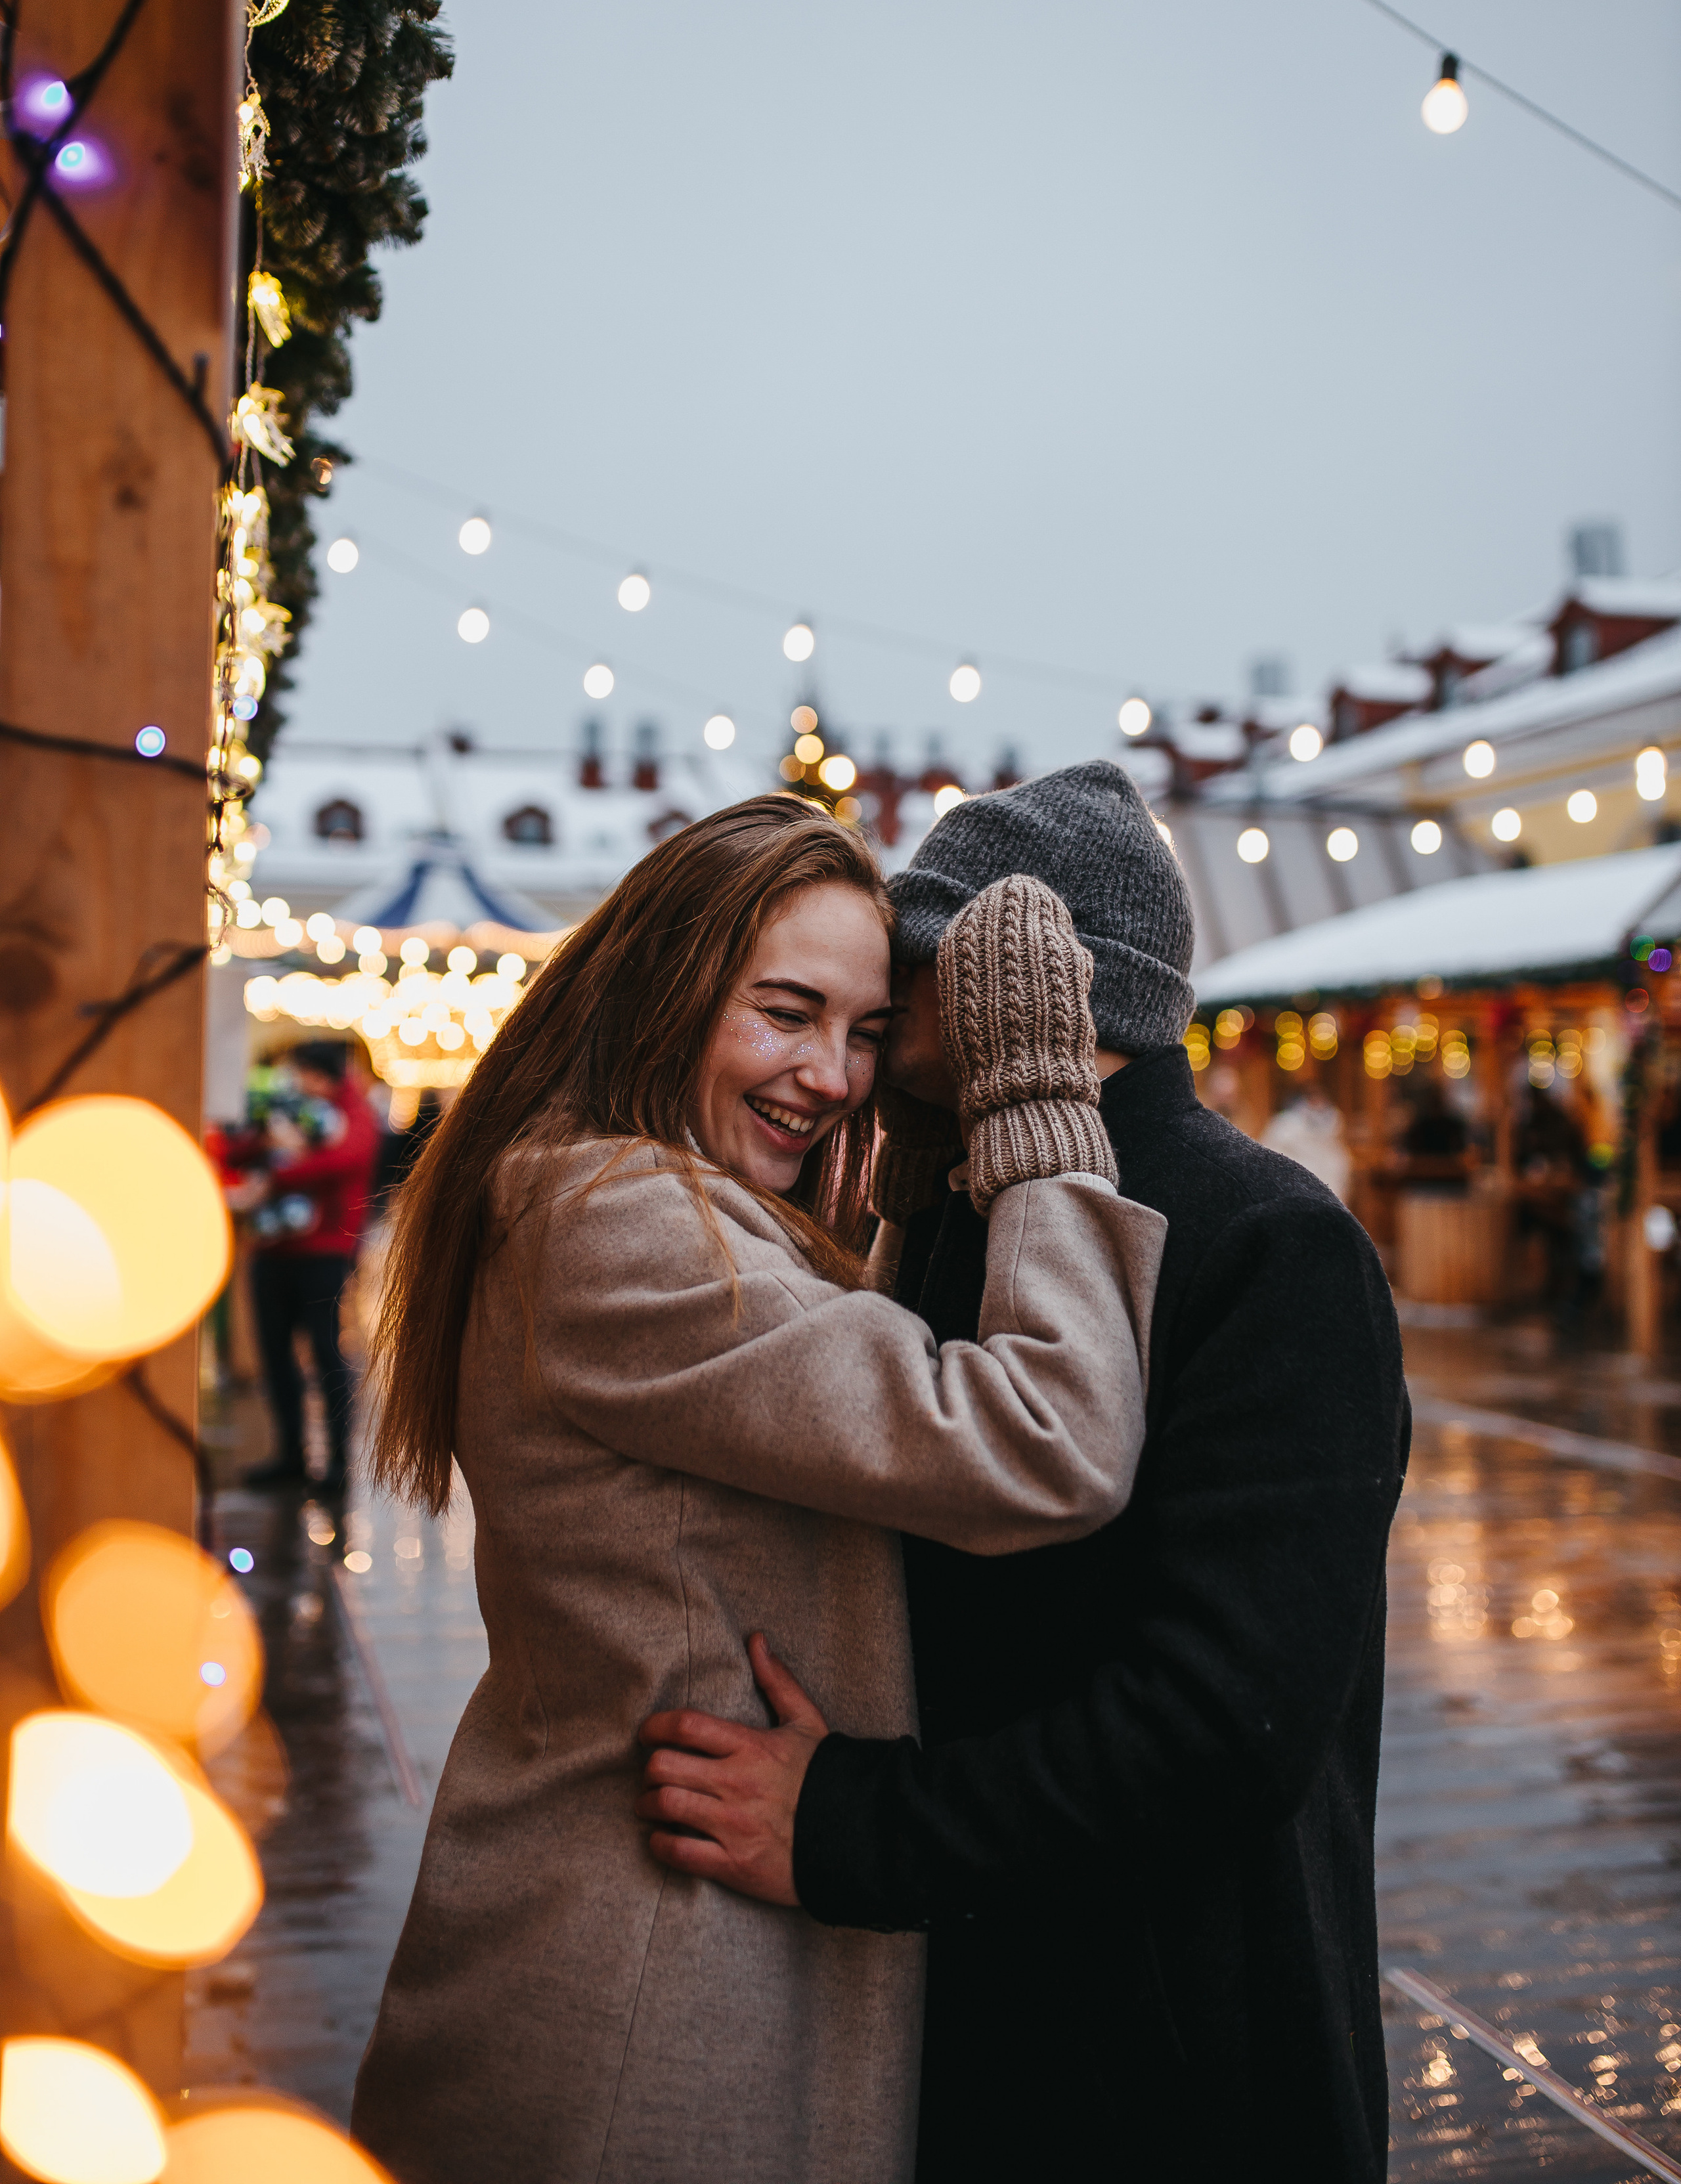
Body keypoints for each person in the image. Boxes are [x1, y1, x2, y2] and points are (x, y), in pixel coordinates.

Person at [351, 796, 1164, 2184]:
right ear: (662, 993)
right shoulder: (623, 1225)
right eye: (785, 1013)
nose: (834, 1077)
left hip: (649, 1927)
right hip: (649, 1986)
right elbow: (1046, 1441)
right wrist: (1032, 1101)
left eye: (860, 1032)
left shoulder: (609, 1196)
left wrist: (898, 1186)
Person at [642, 761, 1410, 2184]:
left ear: (1016, 977)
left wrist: (848, 1825)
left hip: (1177, 2065)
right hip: (971, 2025)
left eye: (908, 966)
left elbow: (1222, 1724)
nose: (880, 1004)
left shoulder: (1266, 1243)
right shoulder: (957, 1210)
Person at [244, 1039, 381, 1495]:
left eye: (300, 1071)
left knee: (326, 1353)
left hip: (324, 1250)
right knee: (276, 1357)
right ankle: (291, 1457)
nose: (294, 1080)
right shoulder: (286, 1106)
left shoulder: (352, 1109)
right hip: (273, 1248)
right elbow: (249, 1144)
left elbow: (348, 1159)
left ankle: (339, 1464)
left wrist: (278, 1176)